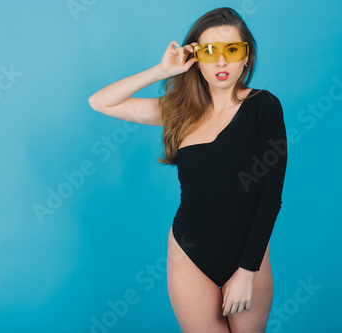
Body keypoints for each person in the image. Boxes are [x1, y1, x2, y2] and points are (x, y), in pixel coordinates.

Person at [88, 7, 287, 333]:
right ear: (196, 57)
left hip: (248, 255)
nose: (221, 62)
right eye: (209, 52)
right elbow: (101, 102)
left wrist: (247, 272)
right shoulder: (180, 111)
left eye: (231, 50)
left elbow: (270, 196)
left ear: (246, 56)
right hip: (189, 255)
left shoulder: (263, 106)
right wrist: (162, 70)